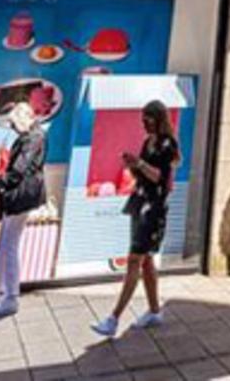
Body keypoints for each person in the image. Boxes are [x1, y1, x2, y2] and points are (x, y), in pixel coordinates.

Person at [93, 100, 182, 336]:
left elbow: (159, 177)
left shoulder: (167, 144)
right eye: (142, 118)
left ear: (158, 119)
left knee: (134, 259)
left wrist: (141, 164)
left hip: (153, 209)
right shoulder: (148, 142)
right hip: (140, 203)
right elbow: (143, 174)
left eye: (147, 118)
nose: (143, 122)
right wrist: (133, 165)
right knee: (146, 260)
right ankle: (154, 311)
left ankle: (114, 318)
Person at [0, 97, 47, 317]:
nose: (13, 128)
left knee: (8, 244)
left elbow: (18, 171)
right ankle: (0, 292)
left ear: (24, 119)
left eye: (14, 123)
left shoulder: (32, 138)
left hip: (22, 196)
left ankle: (10, 297)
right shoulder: (31, 136)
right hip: (20, 195)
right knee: (5, 242)